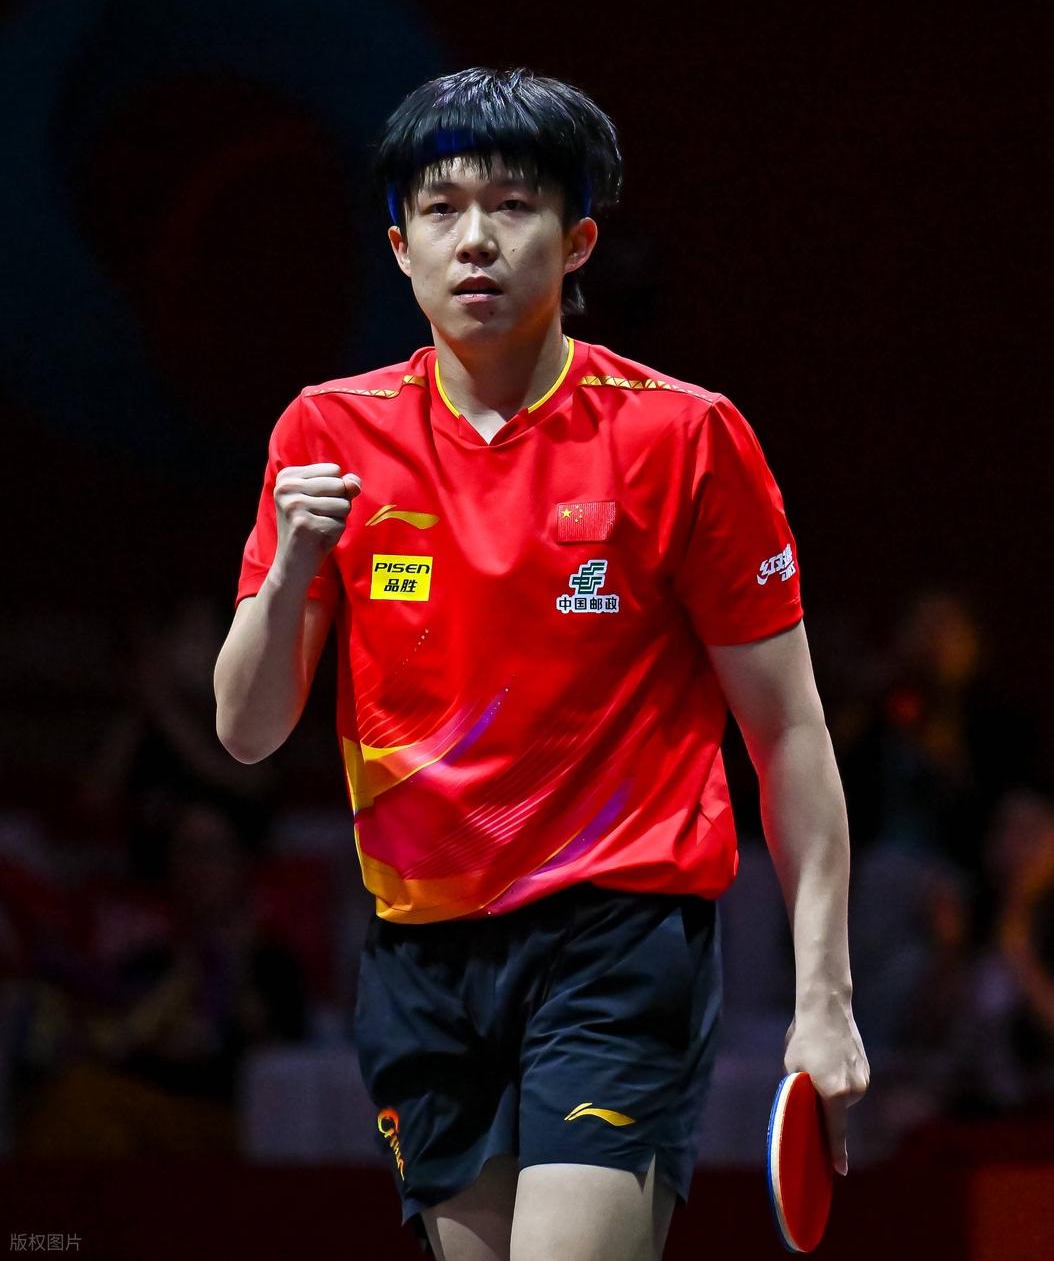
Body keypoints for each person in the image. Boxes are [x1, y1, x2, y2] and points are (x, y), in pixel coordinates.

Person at [214, 67, 869, 1261]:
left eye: (513, 206)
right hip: (420, 951)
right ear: (400, 245)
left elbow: (787, 730)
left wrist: (823, 996)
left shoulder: (681, 436)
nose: (475, 239)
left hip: (614, 939)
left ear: (576, 243)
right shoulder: (326, 435)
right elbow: (247, 730)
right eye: (442, 208)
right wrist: (291, 564)